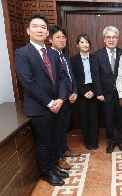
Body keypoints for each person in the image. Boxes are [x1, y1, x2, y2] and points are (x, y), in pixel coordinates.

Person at [14, 13, 69, 186]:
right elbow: (28, 83)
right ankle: (46, 173)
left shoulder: (53, 54)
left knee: (54, 140)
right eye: (35, 26)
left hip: (57, 106)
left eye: (43, 27)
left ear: (47, 34)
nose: (39, 30)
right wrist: (49, 102)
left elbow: (62, 78)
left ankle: (53, 167)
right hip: (40, 108)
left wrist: (60, 99)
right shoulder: (22, 53)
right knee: (44, 143)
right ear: (28, 30)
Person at [48, 25, 81, 170]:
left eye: (63, 37)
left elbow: (71, 77)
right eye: (58, 37)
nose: (62, 40)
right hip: (57, 101)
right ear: (50, 39)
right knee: (56, 130)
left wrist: (74, 91)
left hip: (68, 100)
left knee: (64, 128)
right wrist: (64, 97)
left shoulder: (65, 57)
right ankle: (58, 157)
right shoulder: (48, 56)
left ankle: (64, 149)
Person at [92, 26, 122, 154]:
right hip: (105, 94)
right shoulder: (97, 55)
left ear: (118, 39)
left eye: (114, 37)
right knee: (108, 119)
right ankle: (111, 141)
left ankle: (121, 141)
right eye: (108, 37)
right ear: (104, 39)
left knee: (121, 119)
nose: (111, 40)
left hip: (121, 93)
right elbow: (95, 76)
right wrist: (99, 93)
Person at [71, 34, 99, 150]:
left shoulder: (95, 58)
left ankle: (94, 141)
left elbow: (98, 76)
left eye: (87, 42)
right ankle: (87, 141)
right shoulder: (73, 60)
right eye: (82, 42)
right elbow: (74, 78)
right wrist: (83, 92)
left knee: (94, 118)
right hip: (81, 92)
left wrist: (93, 91)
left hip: (93, 90)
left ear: (90, 44)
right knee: (83, 118)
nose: (85, 44)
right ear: (77, 45)